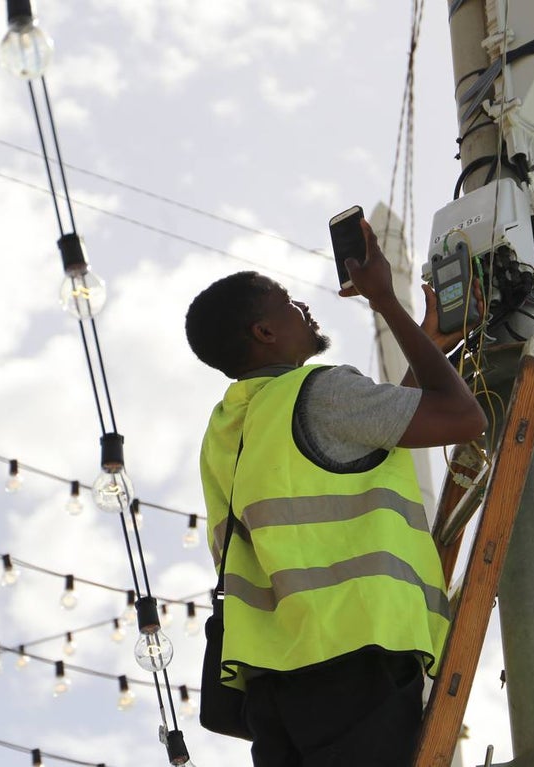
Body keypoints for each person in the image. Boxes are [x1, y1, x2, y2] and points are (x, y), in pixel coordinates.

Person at [184, 217, 486, 767]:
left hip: (272, 681)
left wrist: (430, 339)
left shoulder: (227, 426)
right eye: (287, 302)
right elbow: (463, 417)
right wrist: (385, 302)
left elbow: (370, 435)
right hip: (353, 657)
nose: (303, 306)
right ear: (264, 332)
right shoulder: (319, 391)